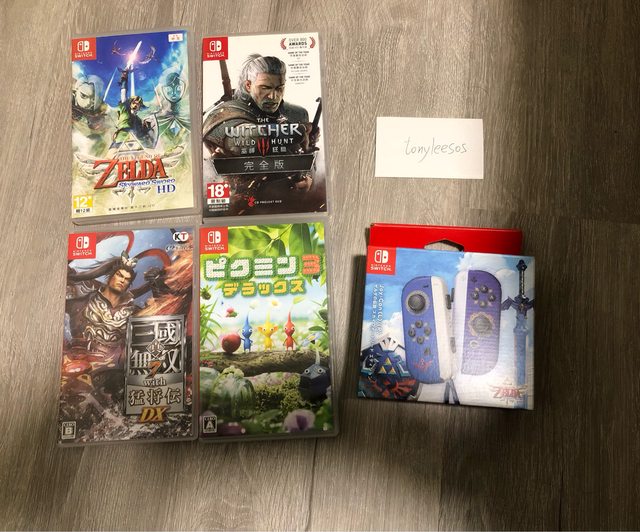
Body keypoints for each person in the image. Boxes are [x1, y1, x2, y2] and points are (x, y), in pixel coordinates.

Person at [203, 54, 319, 197]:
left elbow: (307, 157)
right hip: (241, 198)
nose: (273, 96)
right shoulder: (226, 112)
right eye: (265, 88)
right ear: (248, 85)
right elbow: (242, 139)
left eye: (279, 88)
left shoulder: (296, 114)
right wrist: (297, 131)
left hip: (290, 197)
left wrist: (308, 177)